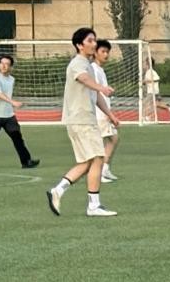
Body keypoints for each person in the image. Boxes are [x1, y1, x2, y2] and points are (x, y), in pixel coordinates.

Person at [46, 28, 119, 217]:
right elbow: (84, 79)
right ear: (80, 45)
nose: (94, 44)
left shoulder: (88, 65)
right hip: (81, 120)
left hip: (84, 120)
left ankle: (58, 190)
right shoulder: (78, 63)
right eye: (90, 40)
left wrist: (110, 114)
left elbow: (95, 94)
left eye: (95, 40)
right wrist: (101, 87)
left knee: (87, 162)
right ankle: (93, 206)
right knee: (98, 158)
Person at [92, 40, 120, 183]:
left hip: (104, 110)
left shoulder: (100, 70)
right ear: (95, 53)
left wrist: (108, 90)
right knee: (101, 143)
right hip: (99, 112)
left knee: (113, 138)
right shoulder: (93, 69)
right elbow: (95, 90)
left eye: (107, 52)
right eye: (103, 51)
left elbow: (101, 89)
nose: (106, 54)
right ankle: (99, 173)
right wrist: (107, 114)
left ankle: (105, 169)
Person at [142, 52, 170, 122]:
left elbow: (157, 79)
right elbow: (148, 81)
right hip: (154, 91)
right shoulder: (148, 72)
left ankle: (147, 117)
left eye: (145, 63)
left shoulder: (151, 71)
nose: (144, 64)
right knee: (157, 104)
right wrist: (144, 82)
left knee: (145, 103)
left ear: (148, 64)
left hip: (152, 91)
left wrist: (146, 81)